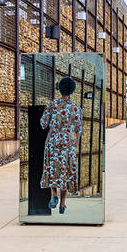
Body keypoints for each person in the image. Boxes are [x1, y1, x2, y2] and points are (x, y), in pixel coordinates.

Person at [40, 77, 83, 215]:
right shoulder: (76, 108)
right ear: (71, 91)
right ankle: (63, 204)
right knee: (65, 170)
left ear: (59, 89)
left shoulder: (52, 105)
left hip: (53, 140)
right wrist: (75, 142)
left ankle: (54, 195)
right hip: (67, 141)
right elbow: (78, 128)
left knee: (52, 168)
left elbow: (43, 123)